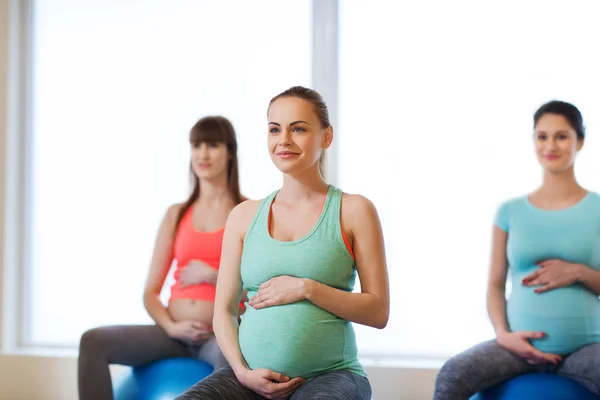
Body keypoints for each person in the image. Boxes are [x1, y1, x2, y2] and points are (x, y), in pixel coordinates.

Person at [176, 86, 390, 400]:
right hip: (248, 377)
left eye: (298, 129)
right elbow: (222, 311)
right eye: (275, 130)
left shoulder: (354, 210)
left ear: (326, 137)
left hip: (329, 377)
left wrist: (307, 287)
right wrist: (242, 373)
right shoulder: (244, 216)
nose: (284, 141)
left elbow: (378, 311)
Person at [434, 100, 600, 399]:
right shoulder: (509, 212)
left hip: (587, 345)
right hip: (517, 348)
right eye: (542, 136)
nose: (551, 144)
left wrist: (579, 272)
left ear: (581, 141)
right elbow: (495, 285)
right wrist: (504, 335)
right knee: (452, 374)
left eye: (562, 136)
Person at [78, 116, 247, 400]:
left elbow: (261, 283)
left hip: (220, 335)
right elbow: (150, 292)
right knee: (93, 341)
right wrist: (172, 326)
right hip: (173, 334)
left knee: (231, 364)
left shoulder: (246, 211)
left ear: (230, 152)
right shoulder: (176, 214)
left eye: (213, 145)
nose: (202, 154)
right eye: (196, 145)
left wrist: (212, 275)